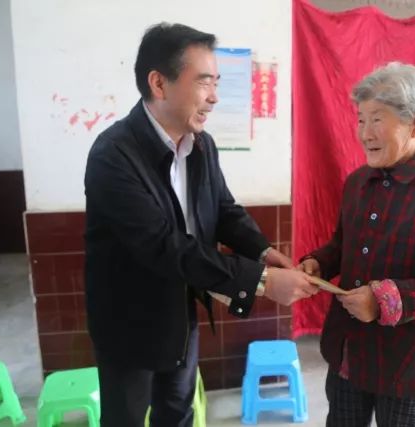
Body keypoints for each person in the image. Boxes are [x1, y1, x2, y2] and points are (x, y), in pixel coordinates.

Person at [84, 22, 317, 427]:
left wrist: (262, 251)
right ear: (159, 83)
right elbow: (163, 245)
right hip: (128, 322)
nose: (214, 97)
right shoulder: (113, 156)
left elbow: (223, 209)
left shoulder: (201, 145)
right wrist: (261, 281)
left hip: (181, 311)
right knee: (126, 419)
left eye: (216, 83)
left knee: (178, 412)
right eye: (204, 82)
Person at [297, 62, 415, 427]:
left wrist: (386, 299)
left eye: (377, 119)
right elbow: (344, 244)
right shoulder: (357, 183)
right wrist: (319, 263)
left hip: (410, 360)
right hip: (351, 347)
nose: (364, 133)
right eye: (360, 119)